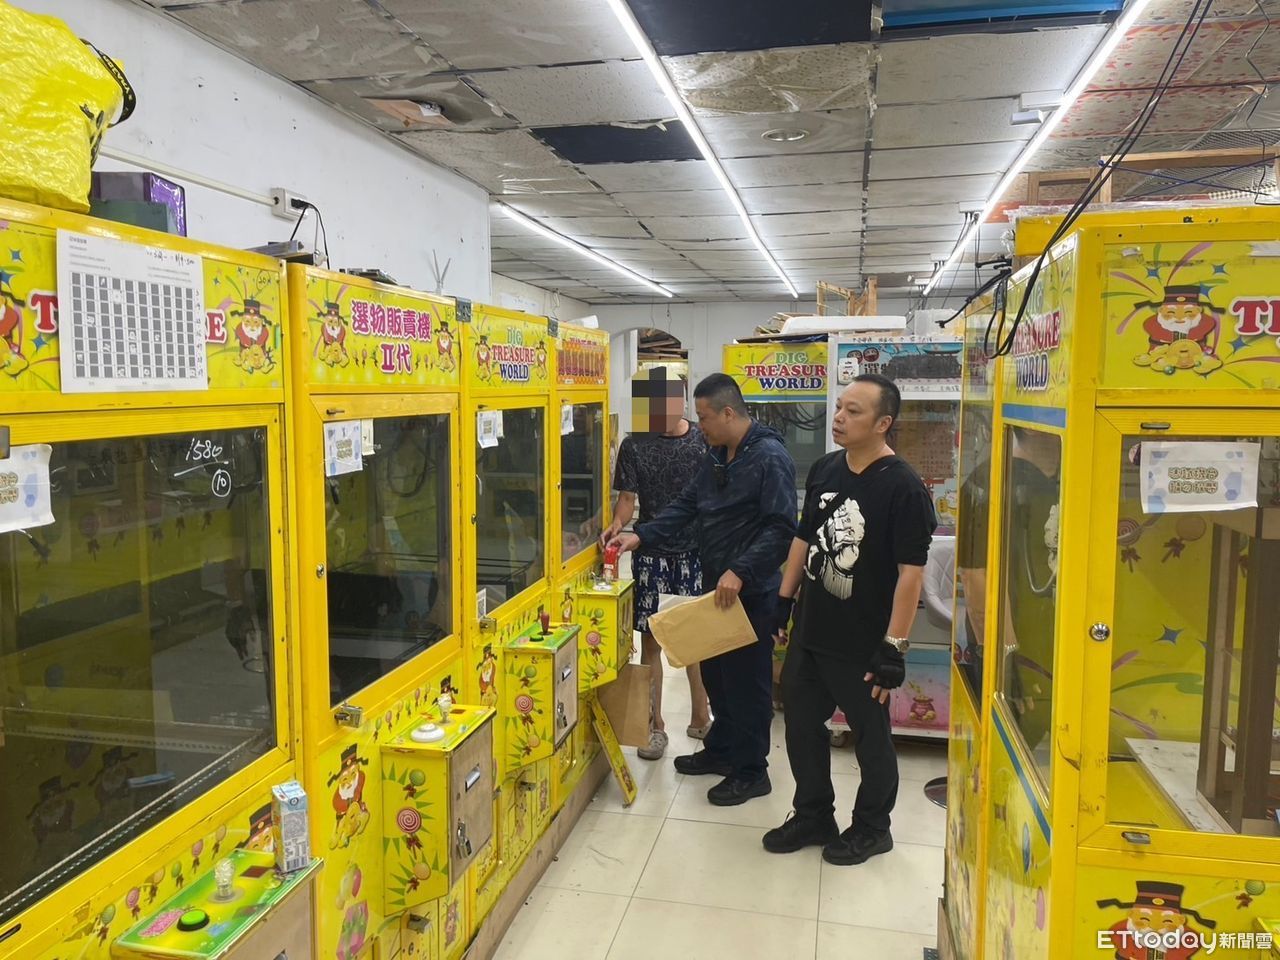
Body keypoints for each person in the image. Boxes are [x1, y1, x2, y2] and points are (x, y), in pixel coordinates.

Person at [763, 374, 935, 864]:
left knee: (870, 738)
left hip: (862, 641)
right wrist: (784, 599)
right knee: (800, 726)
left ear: (883, 423)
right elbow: (803, 538)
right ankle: (814, 814)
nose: (838, 417)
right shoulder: (825, 468)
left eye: (853, 411)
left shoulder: (903, 487)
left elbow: (910, 575)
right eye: (839, 407)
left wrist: (894, 647)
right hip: (811, 631)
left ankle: (873, 827)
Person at [609, 373, 796, 806]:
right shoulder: (716, 455)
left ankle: (752, 771)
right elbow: (688, 504)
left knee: (747, 683)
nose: (701, 424)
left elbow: (781, 527)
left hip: (749, 592)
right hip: (715, 587)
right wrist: (641, 535)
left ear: (729, 413)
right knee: (717, 674)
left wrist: (741, 571)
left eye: (705, 416)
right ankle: (722, 750)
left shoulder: (769, 457)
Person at [603, 372, 712, 761]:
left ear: (682, 400)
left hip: (695, 553)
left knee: (694, 639)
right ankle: (654, 725)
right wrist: (617, 523)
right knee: (651, 641)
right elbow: (627, 498)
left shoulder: (704, 440)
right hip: (650, 553)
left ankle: (701, 716)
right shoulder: (635, 445)